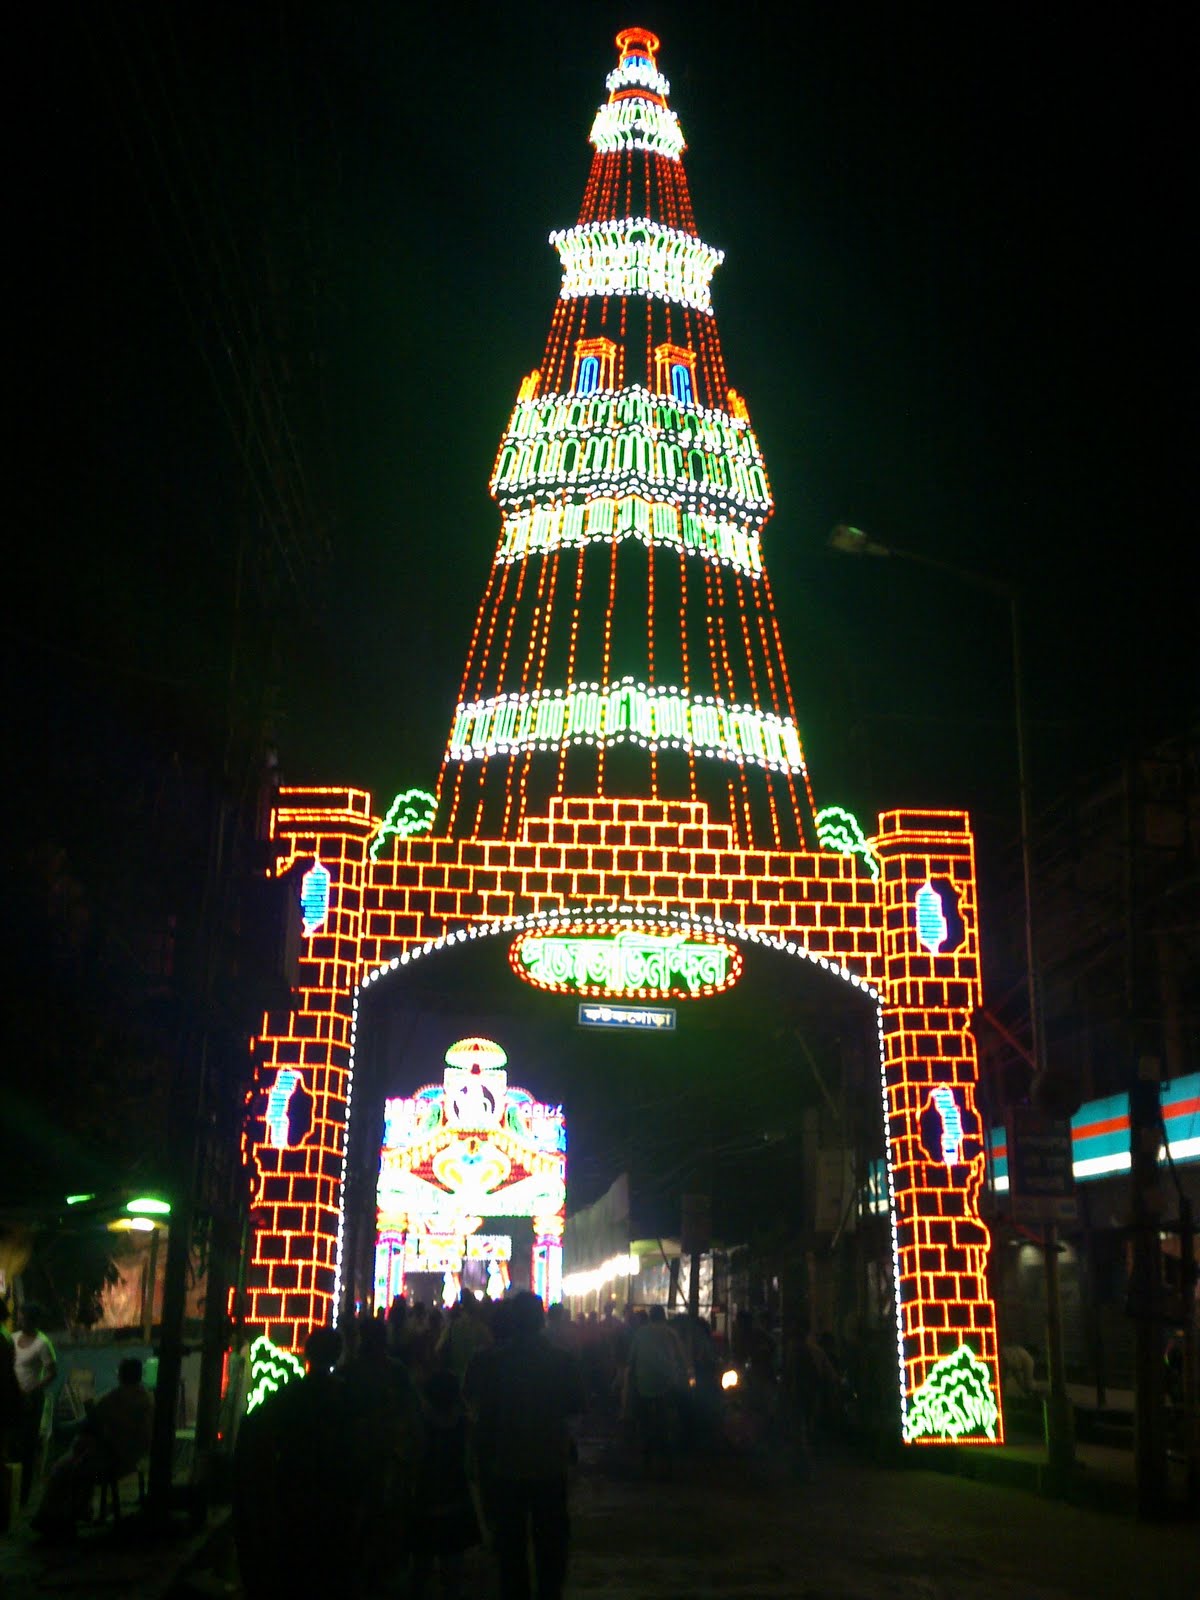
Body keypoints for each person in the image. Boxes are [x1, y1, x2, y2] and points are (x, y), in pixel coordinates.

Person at [464, 1291, 584, 1600]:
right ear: (541, 1320)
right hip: (549, 1461)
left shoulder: (491, 1361)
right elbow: (577, 1406)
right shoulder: (562, 1360)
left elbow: (475, 1405)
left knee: (510, 1548)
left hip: (506, 1463)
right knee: (551, 1543)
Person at [234, 1326, 365, 1597]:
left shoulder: (290, 1395)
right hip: (335, 1492)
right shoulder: (347, 1397)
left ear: (306, 1354)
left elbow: (255, 1431)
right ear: (337, 1355)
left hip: (296, 1488)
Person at [31, 1358, 153, 1538]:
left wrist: (71, 1425)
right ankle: (76, 1512)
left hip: (111, 1460)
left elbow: (92, 1422)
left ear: (121, 1375)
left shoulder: (116, 1398)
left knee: (63, 1469)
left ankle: (60, 1520)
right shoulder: (146, 1397)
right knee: (74, 1461)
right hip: (130, 1457)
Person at [409, 1367, 480, 1600]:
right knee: (453, 1565)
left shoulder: (421, 1426)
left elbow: (415, 1459)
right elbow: (471, 1465)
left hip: (425, 1497)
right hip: (456, 1498)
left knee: (421, 1561)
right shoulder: (464, 1425)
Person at [625, 1304, 690, 1478]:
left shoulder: (640, 1333)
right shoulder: (670, 1333)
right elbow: (683, 1358)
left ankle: (646, 1463)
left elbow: (631, 1362)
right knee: (666, 1423)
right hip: (667, 1384)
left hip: (643, 1384)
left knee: (645, 1424)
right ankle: (667, 1464)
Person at [12, 1304, 56, 1506]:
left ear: (33, 1320)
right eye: (20, 1317)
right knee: (12, 1446)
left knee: (27, 1447)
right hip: (13, 1399)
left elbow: (51, 1373)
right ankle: (11, 1490)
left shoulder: (42, 1343)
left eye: (23, 1318)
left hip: (31, 1401)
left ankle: (23, 1495)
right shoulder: (13, 1339)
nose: (20, 1321)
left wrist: (31, 1390)